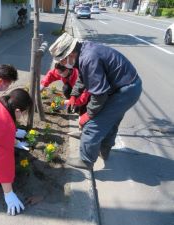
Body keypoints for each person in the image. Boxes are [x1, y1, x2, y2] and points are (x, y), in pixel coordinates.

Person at [49, 32, 142, 170]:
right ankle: (104, 151)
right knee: (110, 122)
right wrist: (74, 94)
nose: (62, 64)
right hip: (126, 86)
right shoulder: (83, 52)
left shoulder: (88, 58)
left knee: (93, 124)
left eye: (62, 60)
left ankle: (86, 160)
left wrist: (88, 115)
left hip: (125, 91)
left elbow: (99, 95)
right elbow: (83, 76)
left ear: (70, 54)